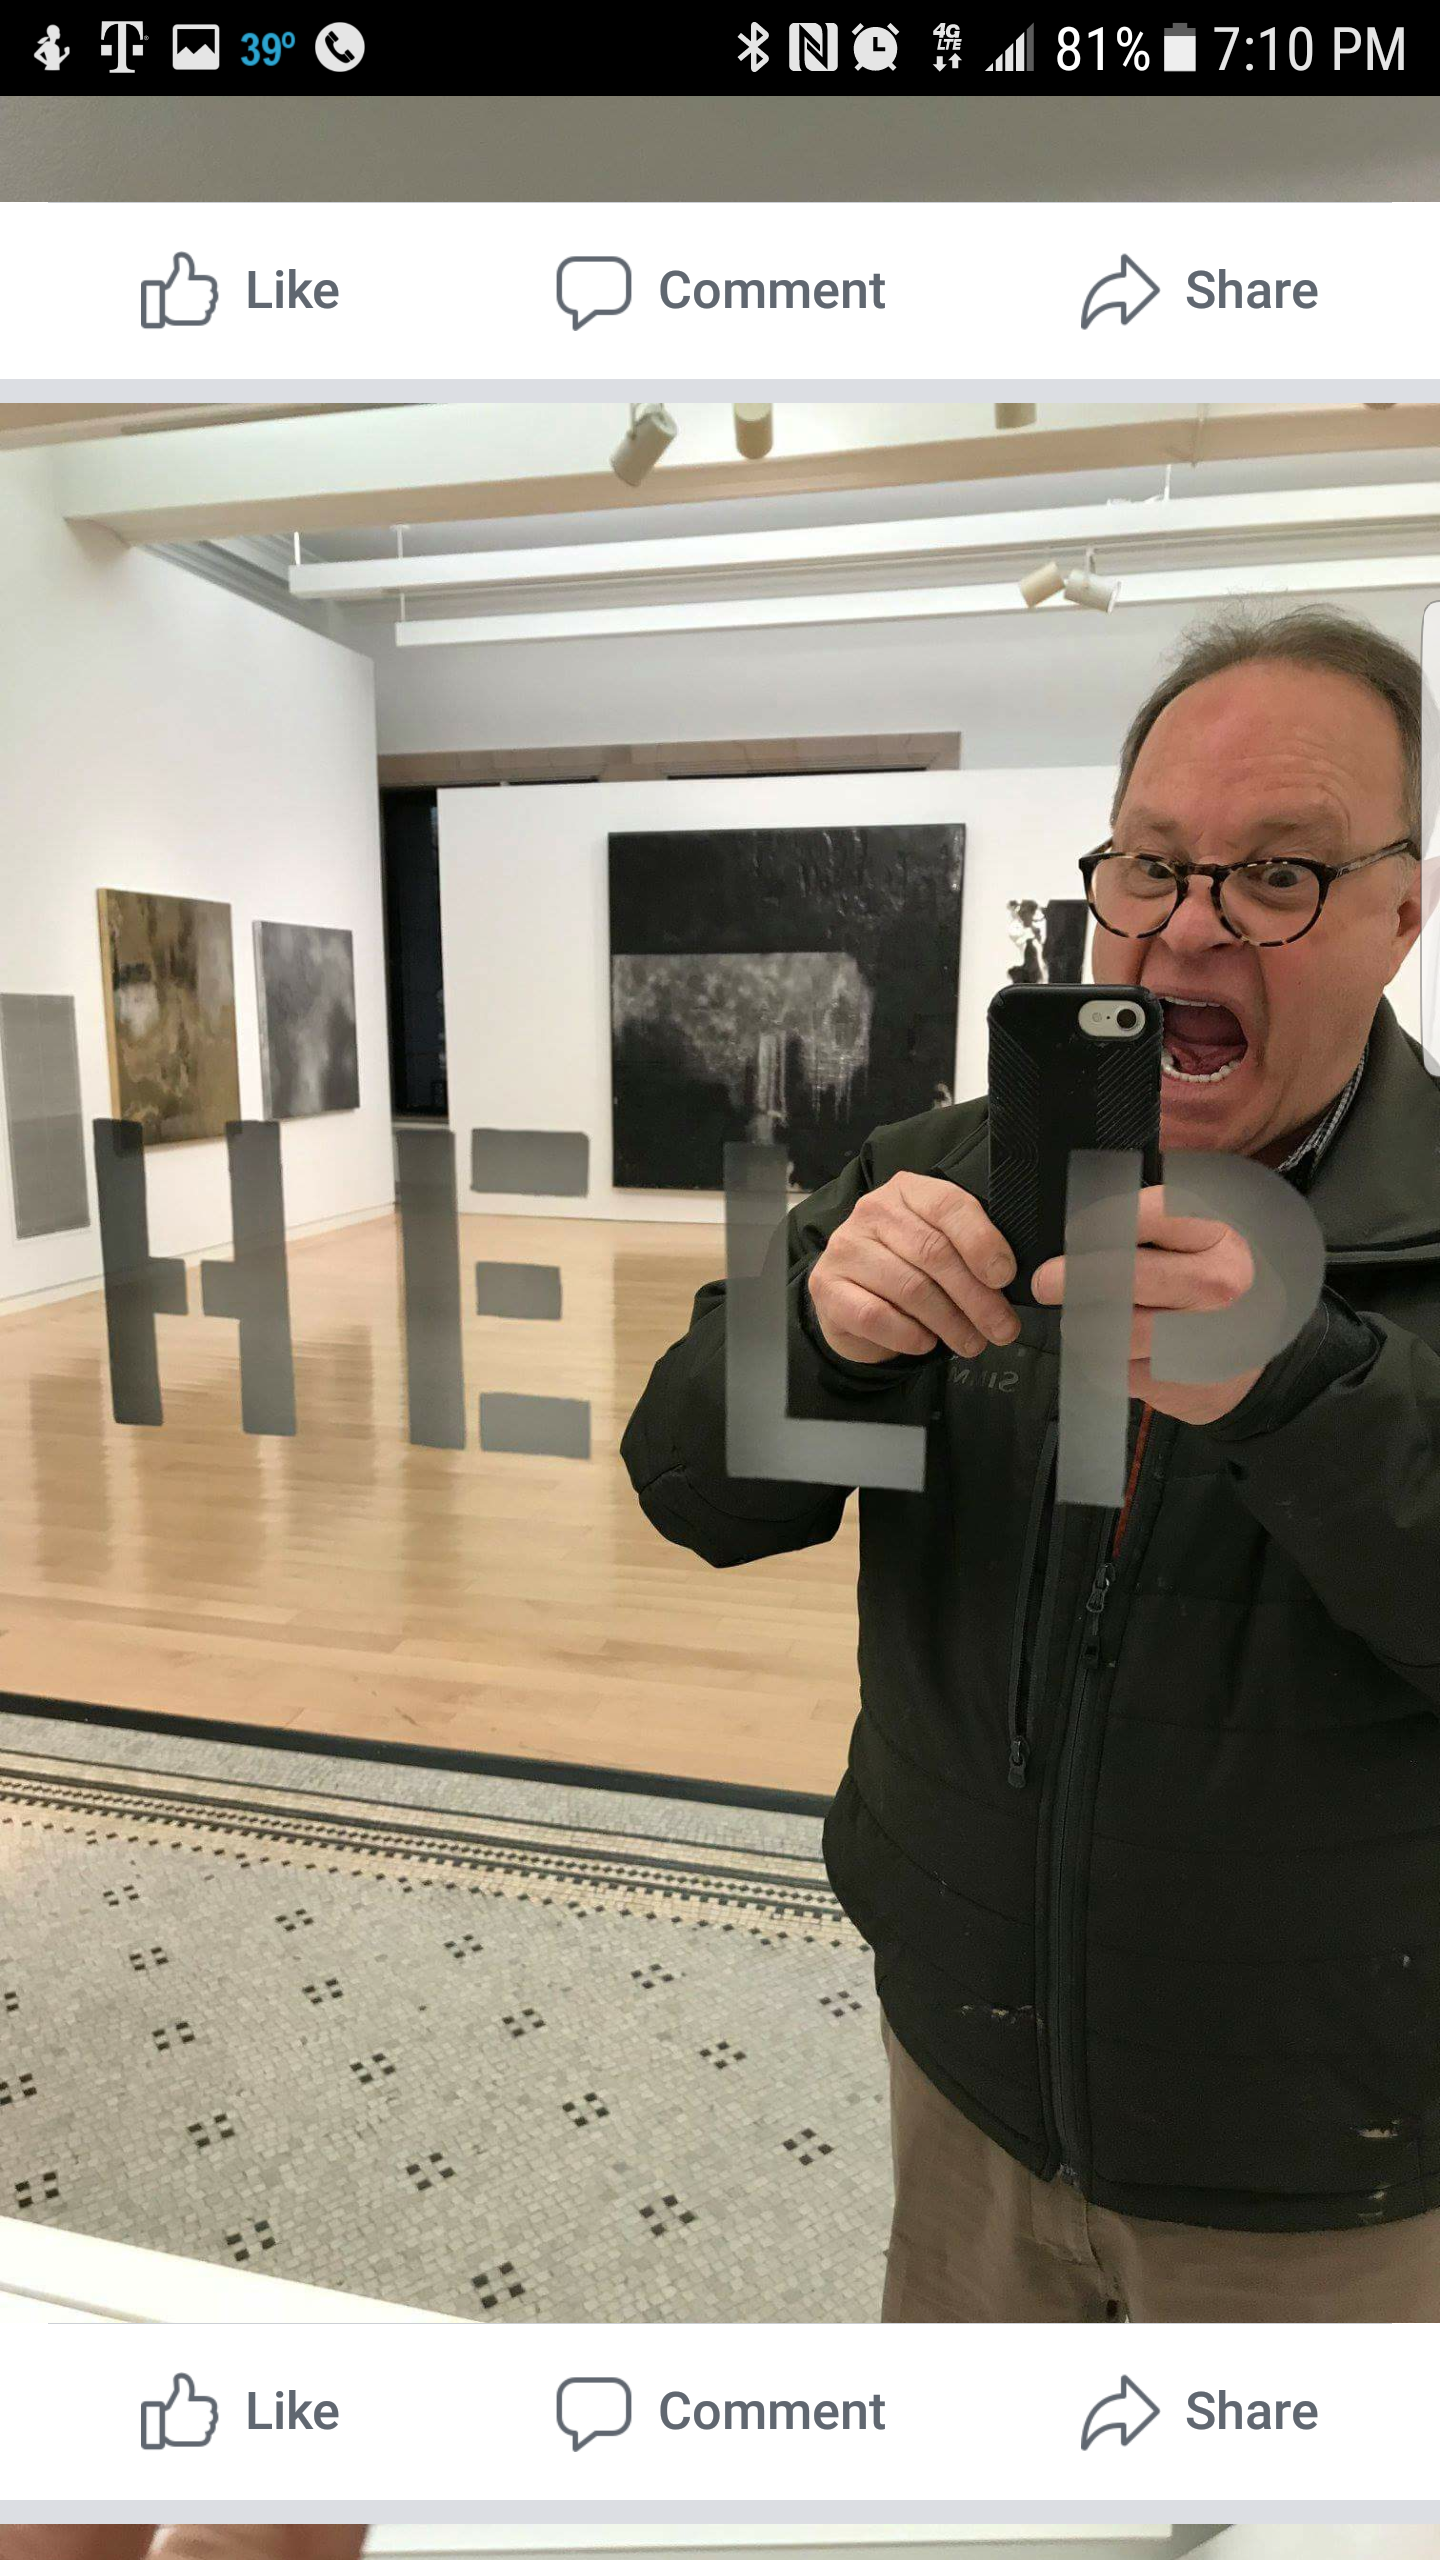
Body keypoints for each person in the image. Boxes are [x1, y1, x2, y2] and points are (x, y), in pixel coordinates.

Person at [622, 606, 1440, 2320]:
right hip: (971, 2072)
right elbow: (697, 1490)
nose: (1186, 926)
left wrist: (1300, 1392)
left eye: (1277, 875)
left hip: (1340, 2154)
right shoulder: (940, 1167)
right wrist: (818, 1339)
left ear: (1402, 910)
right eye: (1149, 865)